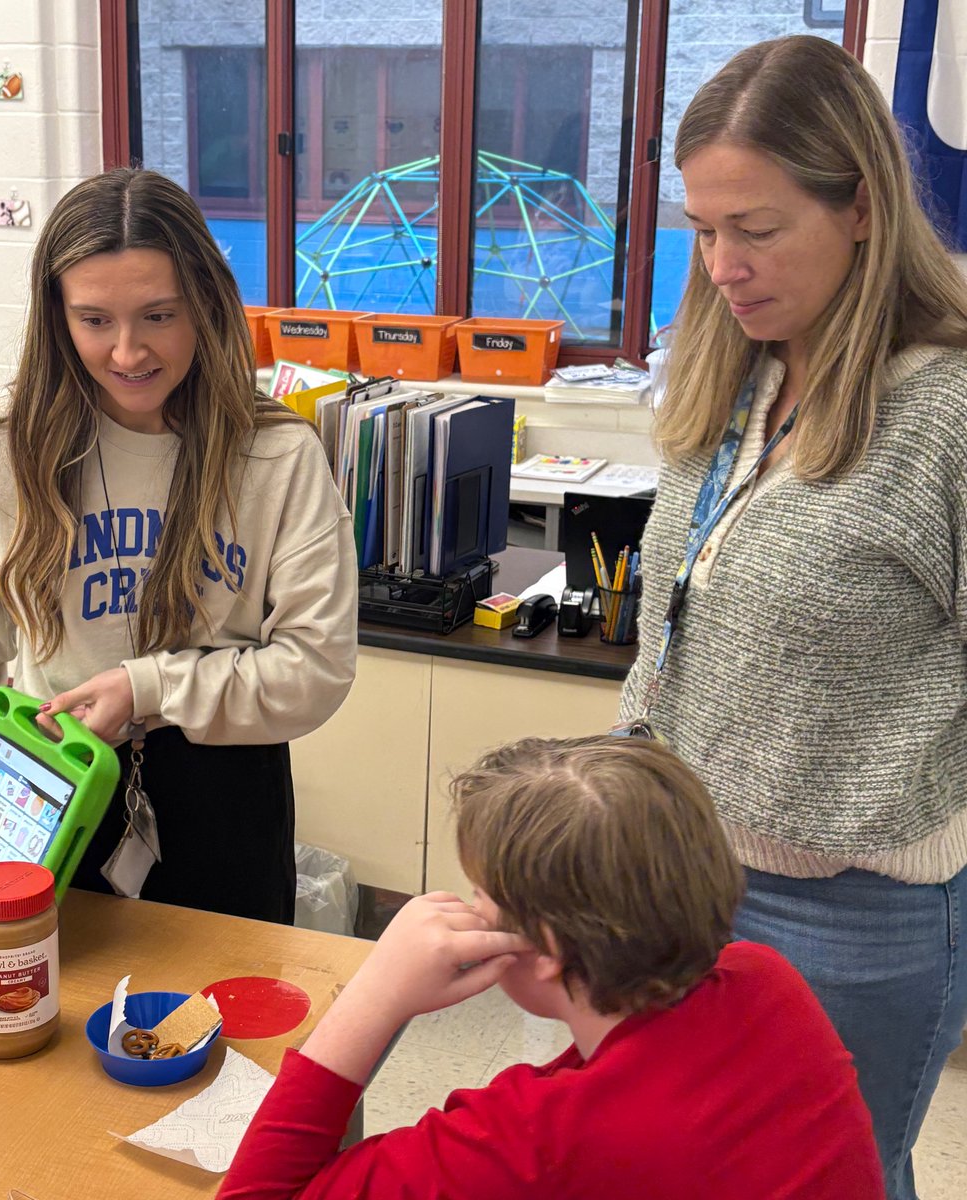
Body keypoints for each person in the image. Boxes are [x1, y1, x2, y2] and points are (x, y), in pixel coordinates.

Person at [614, 35, 967, 1200]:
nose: (721, 265)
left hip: (858, 912)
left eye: (755, 230)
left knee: (831, 1180)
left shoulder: (946, 414)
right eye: (703, 230)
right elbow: (674, 619)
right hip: (682, 876)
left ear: (861, 205)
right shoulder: (740, 373)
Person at [0, 168, 357, 923]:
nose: (127, 352)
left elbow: (316, 667)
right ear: (57, 318)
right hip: (39, 771)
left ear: (206, 305)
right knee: (39, 1004)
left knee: (221, 1025)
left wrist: (148, 689)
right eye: (94, 320)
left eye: (158, 315)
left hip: (221, 785)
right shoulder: (6, 442)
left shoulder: (277, 453)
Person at [219, 736, 884, 1199]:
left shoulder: (540, 1141)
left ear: (546, 950)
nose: (468, 908)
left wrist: (374, 994)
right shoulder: (766, 982)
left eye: (481, 894)